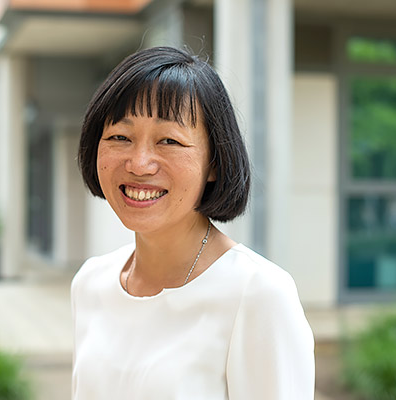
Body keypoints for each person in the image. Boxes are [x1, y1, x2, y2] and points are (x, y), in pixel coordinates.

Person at [72, 46, 315, 400]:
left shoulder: (258, 294)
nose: (139, 164)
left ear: (214, 162)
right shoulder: (90, 283)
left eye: (169, 141)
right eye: (120, 137)